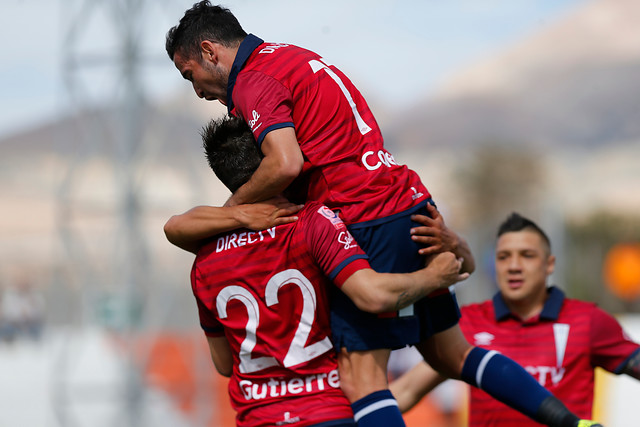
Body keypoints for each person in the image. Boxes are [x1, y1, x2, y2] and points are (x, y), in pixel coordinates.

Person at [165, 3, 598, 426]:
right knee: (451, 354)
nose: (198, 91)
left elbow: (285, 164)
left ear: (209, 51)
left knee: (362, 378)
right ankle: (574, 423)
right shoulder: (291, 58)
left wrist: (236, 210)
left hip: (365, 216)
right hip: (406, 199)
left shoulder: (253, 82)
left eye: (191, 76)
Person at [177, 115, 468, 426]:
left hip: (258, 417)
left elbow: (224, 364)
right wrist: (435, 276)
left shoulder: (204, 259)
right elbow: (373, 294)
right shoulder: (311, 222)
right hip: (326, 411)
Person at [391, 212, 640, 426]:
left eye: (527, 255)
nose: (513, 266)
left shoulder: (587, 320)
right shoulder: (469, 321)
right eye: (503, 257)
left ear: (549, 264)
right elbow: (406, 391)